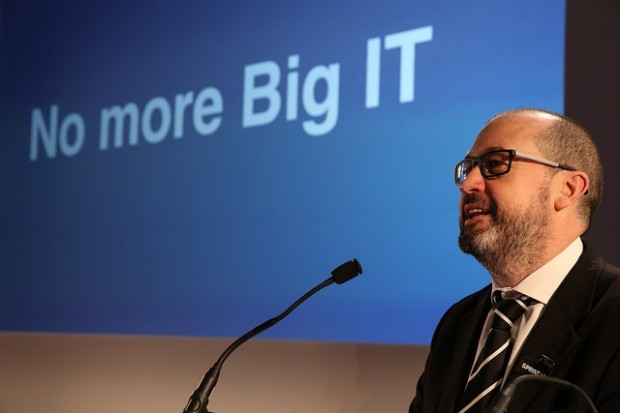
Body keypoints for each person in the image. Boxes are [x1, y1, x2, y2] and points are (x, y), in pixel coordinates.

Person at [410, 108, 620, 413]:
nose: (468, 184)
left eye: (495, 164)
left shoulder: (612, 317)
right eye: (468, 168)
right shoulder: (457, 322)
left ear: (568, 189)